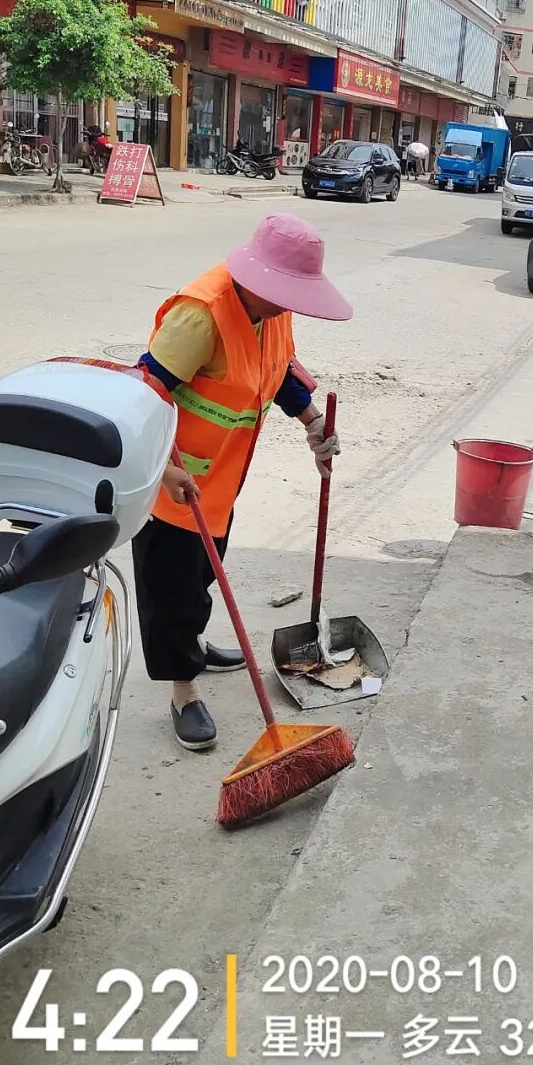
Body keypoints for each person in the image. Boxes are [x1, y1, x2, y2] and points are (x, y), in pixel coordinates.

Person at [133, 213, 352, 751]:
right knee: (171, 588)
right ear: (255, 275)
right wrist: (161, 467)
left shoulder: (272, 309)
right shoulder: (200, 315)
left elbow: (277, 372)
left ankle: (194, 645)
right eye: (283, 292)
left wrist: (312, 423)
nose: (287, 304)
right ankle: (183, 689)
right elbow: (142, 395)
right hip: (174, 480)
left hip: (221, 478)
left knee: (202, 572)